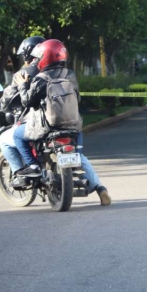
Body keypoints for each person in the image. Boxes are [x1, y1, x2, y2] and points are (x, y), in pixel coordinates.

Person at [12, 39, 111, 205]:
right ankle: (100, 188)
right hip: (73, 125)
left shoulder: (41, 78)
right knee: (78, 156)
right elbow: (77, 97)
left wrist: (23, 85)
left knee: (17, 135)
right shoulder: (70, 75)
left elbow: (27, 102)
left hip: (48, 127)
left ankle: (34, 166)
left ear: (44, 57)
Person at [0, 36, 45, 174]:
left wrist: (2, 104)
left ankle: (21, 172)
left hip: (37, 122)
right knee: (80, 157)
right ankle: (98, 186)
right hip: (67, 121)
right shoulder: (62, 72)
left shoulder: (24, 73)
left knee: (5, 139)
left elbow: (10, 96)